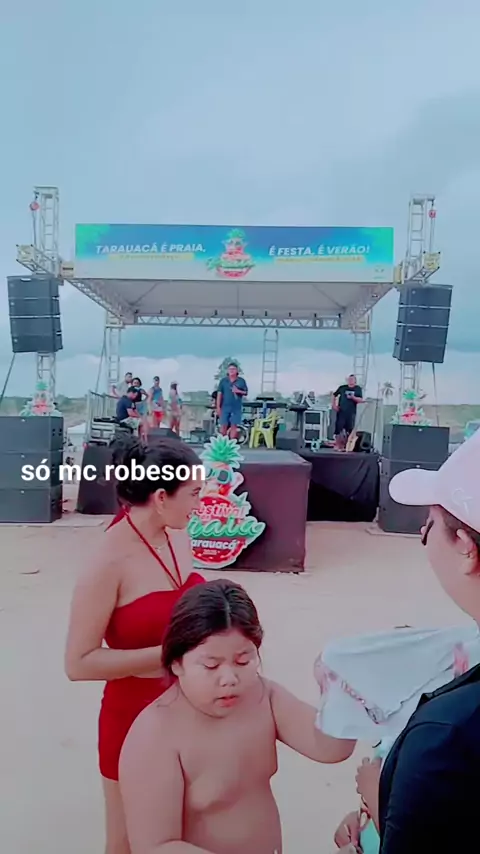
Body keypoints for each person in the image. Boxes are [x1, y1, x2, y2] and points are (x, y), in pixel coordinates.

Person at [119, 579, 355, 854]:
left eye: (243, 661)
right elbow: (155, 846)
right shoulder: (155, 735)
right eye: (211, 665)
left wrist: (343, 697)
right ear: (176, 663)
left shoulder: (262, 696)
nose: (229, 678)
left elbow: (329, 748)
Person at [64, 435, 204, 854]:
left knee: (187, 832)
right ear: (161, 497)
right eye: (194, 494)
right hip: (133, 717)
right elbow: (78, 663)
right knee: (127, 841)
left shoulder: (177, 535)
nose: (199, 504)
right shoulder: (107, 561)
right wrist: (168, 657)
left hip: (192, 710)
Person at [374, 428, 480, 852]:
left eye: (430, 524)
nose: (424, 534)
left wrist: (378, 806)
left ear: (466, 546)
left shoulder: (447, 734)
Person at [331, 374, 366, 450]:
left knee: (349, 429)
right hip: (341, 411)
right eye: (349, 379)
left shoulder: (358, 389)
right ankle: (338, 445)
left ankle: (347, 446)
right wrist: (334, 405)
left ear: (355, 381)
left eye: (352, 379)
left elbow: (361, 400)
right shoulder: (342, 388)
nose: (350, 381)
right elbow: (334, 395)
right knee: (339, 428)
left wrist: (353, 397)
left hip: (351, 413)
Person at [216, 362, 248, 440]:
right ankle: (223, 442)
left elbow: (246, 392)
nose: (231, 371)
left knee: (234, 426)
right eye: (230, 369)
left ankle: (232, 442)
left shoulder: (241, 381)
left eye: (233, 369)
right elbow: (219, 394)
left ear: (237, 371)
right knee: (223, 425)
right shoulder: (223, 381)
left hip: (236, 407)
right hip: (225, 407)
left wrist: (238, 391)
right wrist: (218, 407)